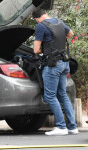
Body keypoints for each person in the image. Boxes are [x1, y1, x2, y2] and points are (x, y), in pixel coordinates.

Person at [32, 8, 78, 136]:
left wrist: (46, 48)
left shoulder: (41, 26)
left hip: (52, 66)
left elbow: (36, 50)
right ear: (45, 13)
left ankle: (61, 126)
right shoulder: (59, 22)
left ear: (37, 19)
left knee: (50, 96)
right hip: (64, 63)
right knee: (62, 95)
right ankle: (73, 127)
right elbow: (71, 34)